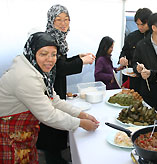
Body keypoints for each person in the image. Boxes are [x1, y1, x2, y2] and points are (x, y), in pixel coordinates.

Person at [0, 32, 99, 163]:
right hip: (9, 133)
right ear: (33, 52)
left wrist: (81, 114)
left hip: (24, 132)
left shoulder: (36, 69)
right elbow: (49, 115)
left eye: (53, 54)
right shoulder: (25, 77)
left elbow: (54, 101)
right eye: (43, 54)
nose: (50, 59)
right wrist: (80, 123)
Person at [36, 4, 95, 164]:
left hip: (56, 88)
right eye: (58, 20)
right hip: (48, 90)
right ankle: (53, 159)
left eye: (66, 19)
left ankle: (56, 157)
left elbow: (60, 62)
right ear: (51, 21)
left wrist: (77, 57)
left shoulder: (58, 38)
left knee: (57, 124)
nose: (63, 23)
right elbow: (60, 68)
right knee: (52, 126)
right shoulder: (49, 40)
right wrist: (81, 62)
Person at [132, 12, 157, 113]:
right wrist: (137, 68)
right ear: (154, 28)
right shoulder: (142, 44)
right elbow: (135, 62)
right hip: (149, 90)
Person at [119, 8, 152, 91]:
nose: (140, 27)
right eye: (137, 24)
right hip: (134, 79)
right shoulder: (132, 37)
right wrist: (122, 59)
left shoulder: (155, 37)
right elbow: (124, 52)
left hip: (151, 80)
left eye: (143, 24)